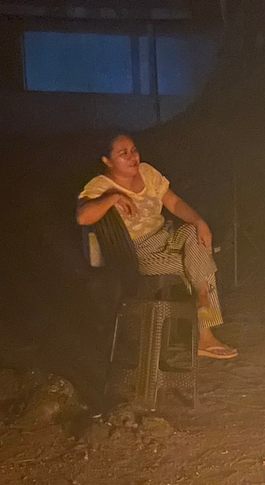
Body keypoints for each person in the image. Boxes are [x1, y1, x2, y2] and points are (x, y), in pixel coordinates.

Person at [77, 133, 237, 359]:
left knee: (195, 235)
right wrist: (112, 197)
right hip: (137, 252)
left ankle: (202, 297)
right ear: (107, 161)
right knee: (196, 262)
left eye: (133, 150)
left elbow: (173, 202)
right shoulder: (100, 186)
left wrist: (199, 221)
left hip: (165, 236)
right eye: (123, 154)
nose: (132, 157)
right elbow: (83, 217)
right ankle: (204, 332)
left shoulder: (146, 172)